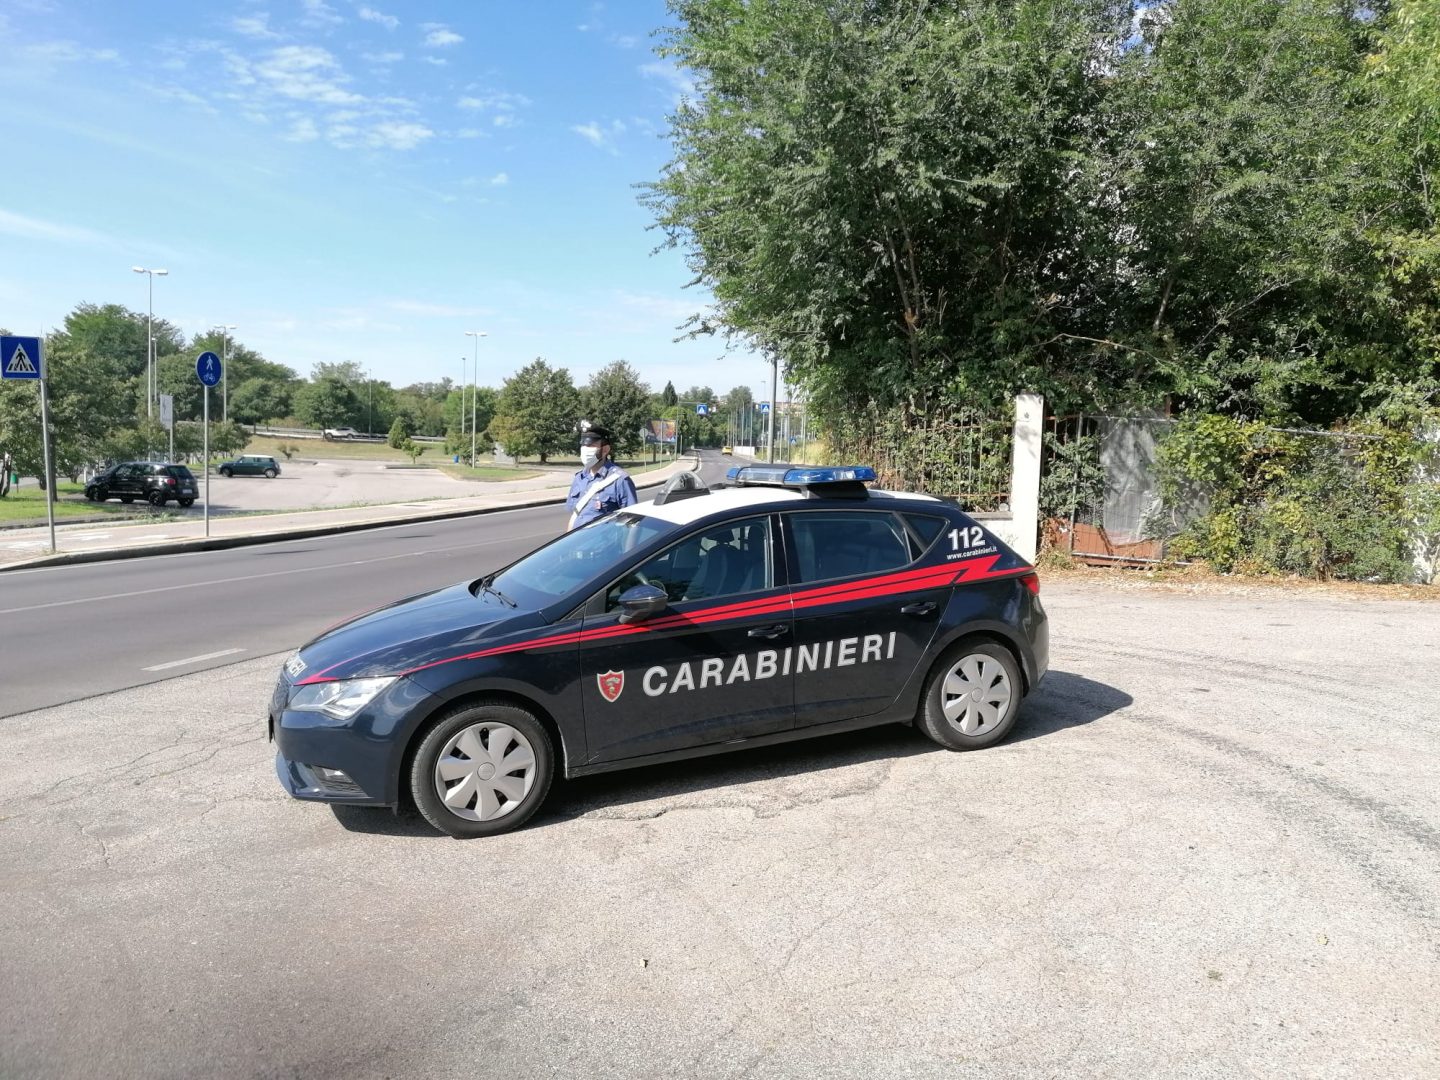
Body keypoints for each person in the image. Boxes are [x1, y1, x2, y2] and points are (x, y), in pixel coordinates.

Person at [566, 421, 639, 530]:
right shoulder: (579, 478)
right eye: (583, 444)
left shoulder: (620, 480)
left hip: (605, 545)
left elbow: (632, 523)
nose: (585, 449)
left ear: (605, 450)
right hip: (578, 545)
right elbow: (574, 516)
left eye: (591, 445)